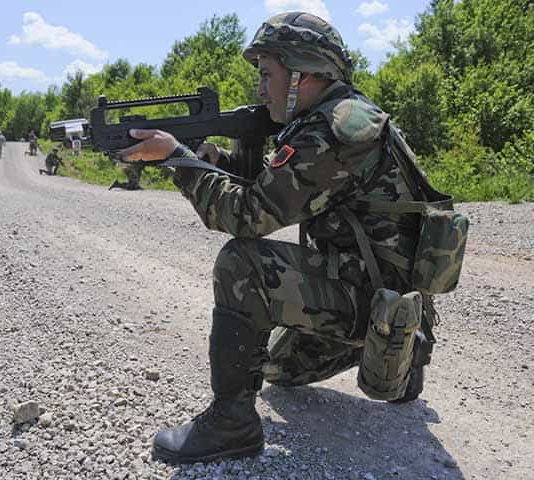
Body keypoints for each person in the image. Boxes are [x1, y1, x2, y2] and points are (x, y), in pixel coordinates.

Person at [120, 12, 461, 464]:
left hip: (367, 297)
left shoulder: (333, 130)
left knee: (242, 264)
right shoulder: (346, 115)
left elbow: (247, 216)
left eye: (267, 74)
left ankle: (231, 424)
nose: (261, 89)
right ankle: (401, 353)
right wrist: (216, 162)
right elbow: (285, 188)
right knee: (278, 367)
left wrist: (178, 161)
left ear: (303, 72)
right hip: (384, 295)